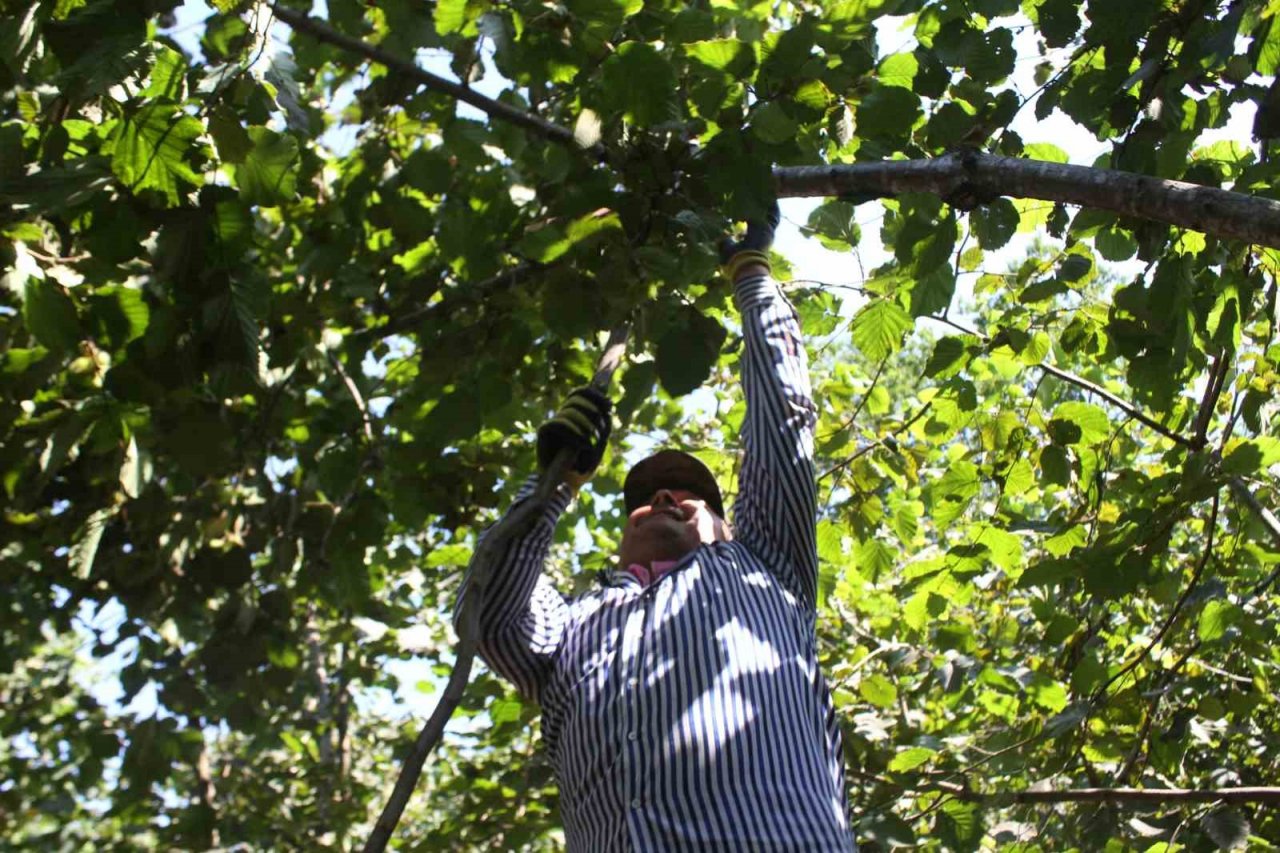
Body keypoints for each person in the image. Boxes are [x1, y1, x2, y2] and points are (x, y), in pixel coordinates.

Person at [457, 207, 856, 851]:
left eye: (694, 495)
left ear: (731, 524)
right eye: (646, 497)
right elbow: (487, 613)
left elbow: (783, 423)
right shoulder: (571, 629)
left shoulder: (765, 568)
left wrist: (749, 272)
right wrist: (554, 481)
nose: (668, 496)